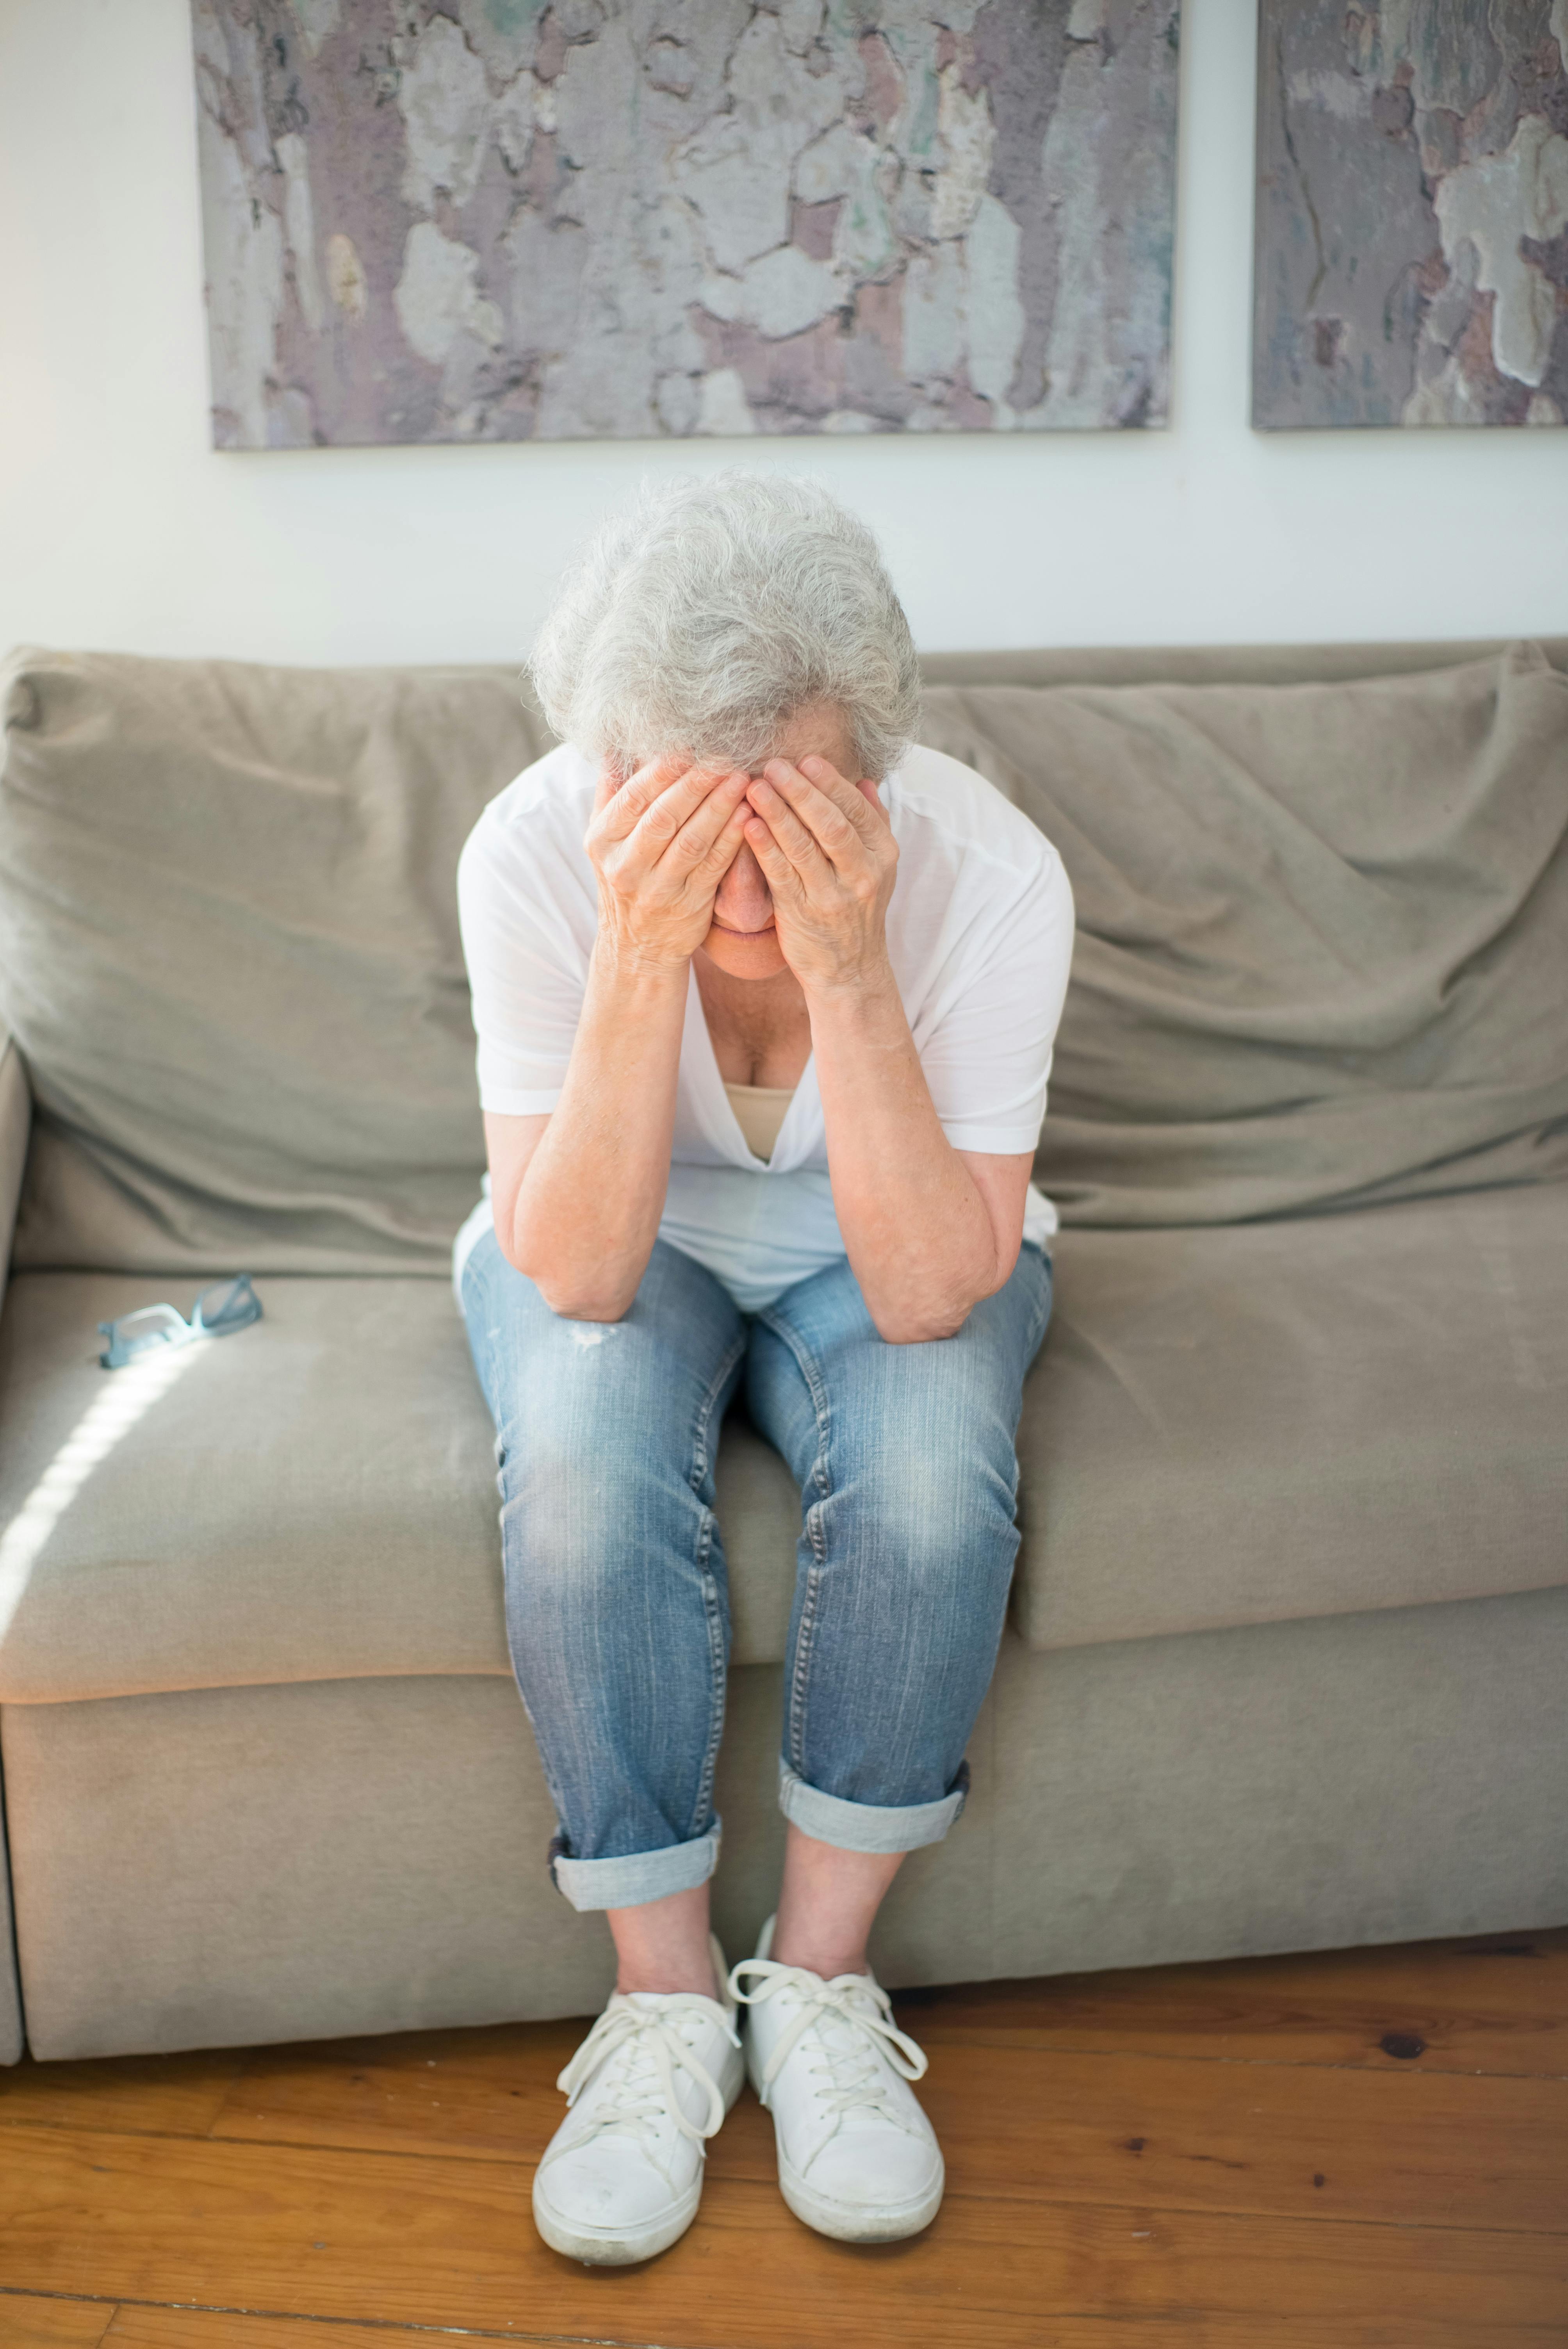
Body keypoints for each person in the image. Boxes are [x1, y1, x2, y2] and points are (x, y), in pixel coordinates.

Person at [454, 472, 1074, 2265]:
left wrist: (850, 964)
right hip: (617, 1238)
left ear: (868, 775)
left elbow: (922, 1293)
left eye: (786, 812)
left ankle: (814, 1987)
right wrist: (637, 956)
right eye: (678, 815)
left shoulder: (988, 875)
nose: (736, 874)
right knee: (574, 1450)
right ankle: (661, 2008)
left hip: (889, 1250)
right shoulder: (527, 851)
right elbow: (568, 1268)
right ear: (608, 774)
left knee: (936, 1451)